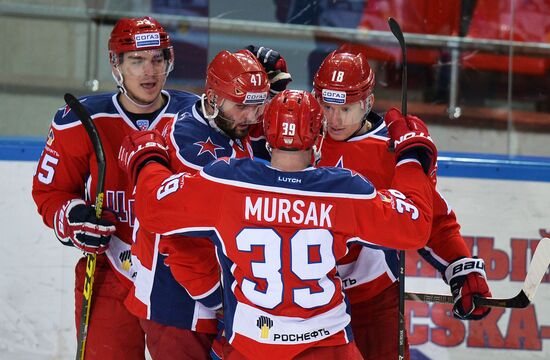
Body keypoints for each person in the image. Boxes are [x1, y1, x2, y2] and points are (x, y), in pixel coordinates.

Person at [117, 89, 438, 359]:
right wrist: (412, 157)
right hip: (328, 344)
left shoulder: (225, 182)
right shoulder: (344, 190)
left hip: (251, 344)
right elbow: (415, 227)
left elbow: (153, 206)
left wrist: (148, 159)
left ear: (266, 135)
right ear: (319, 135)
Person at [31, 16, 217, 359]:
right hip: (110, 270)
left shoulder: (195, 116)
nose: (149, 71)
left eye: (157, 59)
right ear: (116, 64)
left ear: (169, 61)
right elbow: (50, 193)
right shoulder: (80, 120)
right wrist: (73, 218)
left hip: (177, 274)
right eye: (137, 60)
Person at [312, 50, 493, 359]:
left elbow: (433, 219)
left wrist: (461, 269)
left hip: (373, 300)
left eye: (345, 108)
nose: (334, 119)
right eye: (326, 106)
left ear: (367, 103)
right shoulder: (299, 137)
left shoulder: (394, 149)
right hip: (306, 300)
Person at [124, 46, 291, 359]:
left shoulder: (227, 120)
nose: (252, 117)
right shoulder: (193, 152)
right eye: (243, 106)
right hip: (177, 301)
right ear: (213, 99)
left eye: (258, 105)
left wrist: (271, 85)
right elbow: (184, 246)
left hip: (211, 291)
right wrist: (224, 302)